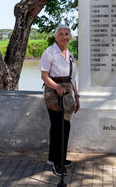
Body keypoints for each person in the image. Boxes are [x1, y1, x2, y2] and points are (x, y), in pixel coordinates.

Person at [39, 24, 80, 176]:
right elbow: (44, 76)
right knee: (58, 127)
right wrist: (57, 87)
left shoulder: (69, 53)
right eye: (61, 34)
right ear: (56, 37)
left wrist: (76, 96)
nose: (64, 37)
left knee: (65, 126)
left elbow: (72, 78)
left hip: (67, 95)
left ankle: (56, 158)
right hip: (53, 94)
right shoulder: (49, 52)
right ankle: (58, 162)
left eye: (67, 34)